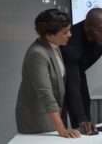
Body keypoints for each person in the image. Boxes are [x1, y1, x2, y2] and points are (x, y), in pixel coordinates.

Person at [15, 9, 81, 138]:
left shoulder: (53, 45)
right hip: (38, 121)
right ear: (49, 35)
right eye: (65, 32)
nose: (70, 35)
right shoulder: (37, 54)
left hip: (50, 117)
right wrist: (62, 129)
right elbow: (45, 93)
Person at [60, 7, 102, 135]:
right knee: (63, 123)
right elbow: (72, 85)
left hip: (79, 72)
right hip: (60, 78)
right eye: (100, 31)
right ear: (87, 27)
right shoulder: (72, 41)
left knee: (87, 123)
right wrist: (81, 120)